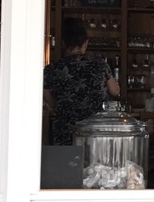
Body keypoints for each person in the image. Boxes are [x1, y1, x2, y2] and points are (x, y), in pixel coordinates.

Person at [43, 16, 120, 145]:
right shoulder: (100, 64)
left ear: (63, 43)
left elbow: (50, 101)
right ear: (85, 43)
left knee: (65, 158)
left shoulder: (51, 69)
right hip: (95, 132)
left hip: (65, 131)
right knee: (94, 158)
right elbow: (115, 91)